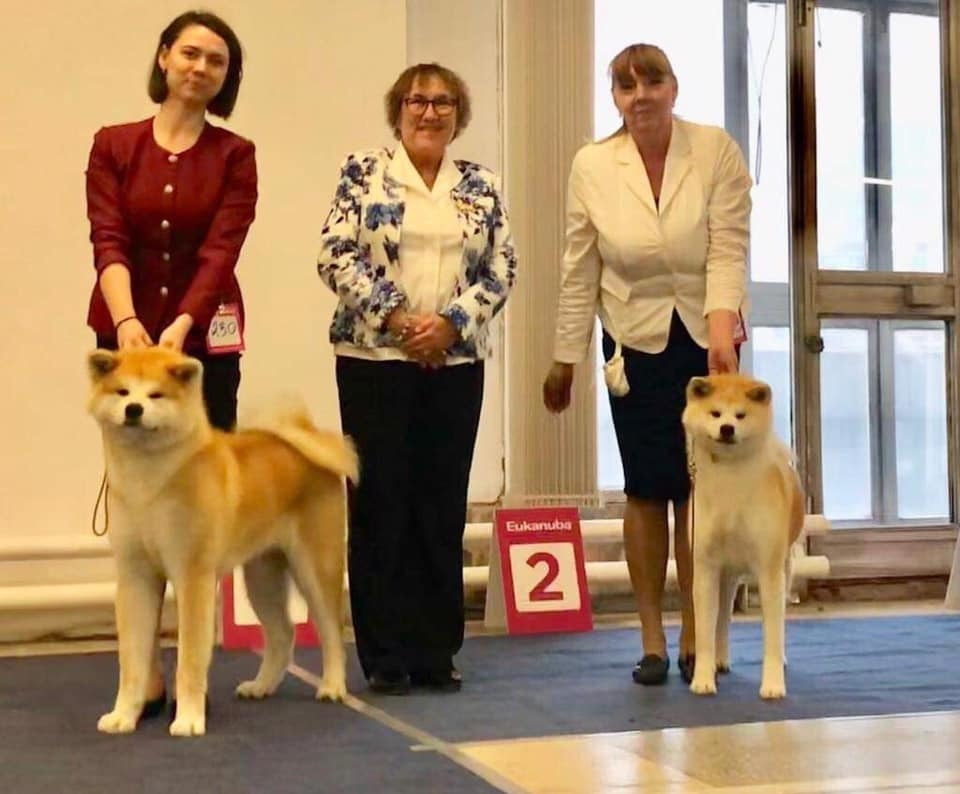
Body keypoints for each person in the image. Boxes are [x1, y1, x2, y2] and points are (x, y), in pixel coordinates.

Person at [542, 43, 750, 686]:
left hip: (703, 336)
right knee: (644, 487)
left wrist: (722, 332)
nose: (640, 96)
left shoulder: (715, 149)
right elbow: (580, 268)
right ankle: (652, 639)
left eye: (651, 81)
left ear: (674, 88)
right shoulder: (592, 165)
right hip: (631, 339)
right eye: (625, 86)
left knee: (699, 494)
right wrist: (564, 357)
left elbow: (727, 249)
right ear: (614, 98)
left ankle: (697, 630)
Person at [317, 63, 517, 695]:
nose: (430, 113)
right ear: (397, 109)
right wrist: (400, 320)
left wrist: (451, 324)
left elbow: (502, 267)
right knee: (381, 504)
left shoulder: (480, 184)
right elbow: (334, 252)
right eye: (417, 101)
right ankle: (385, 653)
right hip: (376, 362)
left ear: (459, 114)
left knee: (440, 504)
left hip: (455, 365)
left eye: (443, 103)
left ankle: (436, 649)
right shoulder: (363, 171)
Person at [84, 10, 257, 712]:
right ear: (163, 58)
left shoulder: (235, 154)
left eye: (216, 61)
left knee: (192, 518)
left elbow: (223, 248)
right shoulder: (113, 144)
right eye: (190, 53)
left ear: (225, 78)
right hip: (125, 349)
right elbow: (108, 237)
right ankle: (140, 676)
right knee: (135, 515)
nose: (200, 68)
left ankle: (190, 679)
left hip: (200, 351)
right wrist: (128, 322)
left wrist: (180, 327)